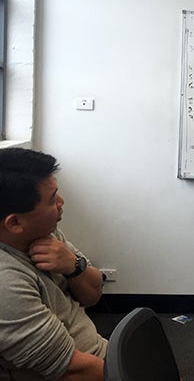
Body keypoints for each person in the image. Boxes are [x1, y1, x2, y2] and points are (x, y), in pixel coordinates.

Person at [0, 148, 106, 380]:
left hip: (99, 356)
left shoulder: (46, 234)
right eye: (52, 200)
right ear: (15, 222)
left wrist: (73, 266)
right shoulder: (6, 284)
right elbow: (71, 371)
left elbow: (94, 293)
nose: (61, 202)